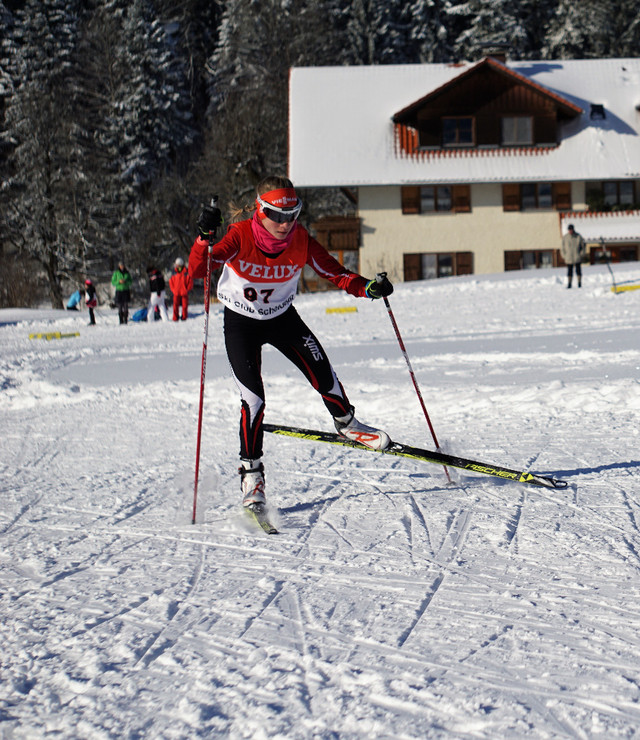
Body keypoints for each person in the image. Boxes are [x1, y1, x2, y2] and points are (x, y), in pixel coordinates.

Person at [189, 175, 394, 510]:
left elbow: (336, 273)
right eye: (277, 215)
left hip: (282, 319)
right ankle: (252, 476)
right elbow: (201, 270)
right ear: (260, 211)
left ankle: (348, 425)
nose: (285, 224)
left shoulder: (301, 240)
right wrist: (204, 239)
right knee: (253, 400)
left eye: (292, 215)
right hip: (241, 323)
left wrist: (368, 288)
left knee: (323, 373)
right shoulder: (240, 235)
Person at [561, 224, 586, 288]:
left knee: (578, 270)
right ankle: (569, 283)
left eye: (571, 229)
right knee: (569, 271)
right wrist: (564, 256)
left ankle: (579, 283)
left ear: (573, 229)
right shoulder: (565, 238)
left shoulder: (578, 236)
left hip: (577, 257)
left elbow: (583, 247)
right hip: (569, 258)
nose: (570, 231)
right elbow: (562, 248)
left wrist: (581, 254)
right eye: (569, 230)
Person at [169, 257, 194, 321]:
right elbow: (171, 282)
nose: (177, 266)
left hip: (184, 292)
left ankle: (184, 317)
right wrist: (173, 290)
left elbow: (190, 282)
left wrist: (187, 289)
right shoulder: (174, 273)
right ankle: (175, 317)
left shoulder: (186, 273)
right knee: (175, 306)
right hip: (176, 292)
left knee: (184, 306)